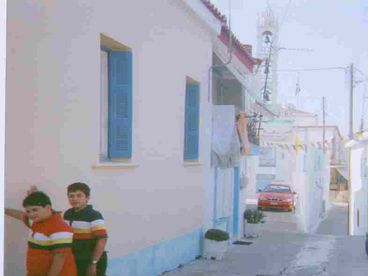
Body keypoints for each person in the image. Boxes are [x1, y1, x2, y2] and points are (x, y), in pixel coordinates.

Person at [5, 191, 77, 276]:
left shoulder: (60, 229)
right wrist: (4, 210)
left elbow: (60, 258)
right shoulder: (36, 222)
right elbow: (20, 215)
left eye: (35, 210)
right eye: (28, 211)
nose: (31, 214)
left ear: (48, 208)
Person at [63, 182, 108, 276]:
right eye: (71, 196)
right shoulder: (67, 214)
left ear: (87, 198)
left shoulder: (94, 215)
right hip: (76, 258)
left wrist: (93, 263)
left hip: (92, 259)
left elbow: (102, 240)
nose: (74, 198)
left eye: (79, 195)